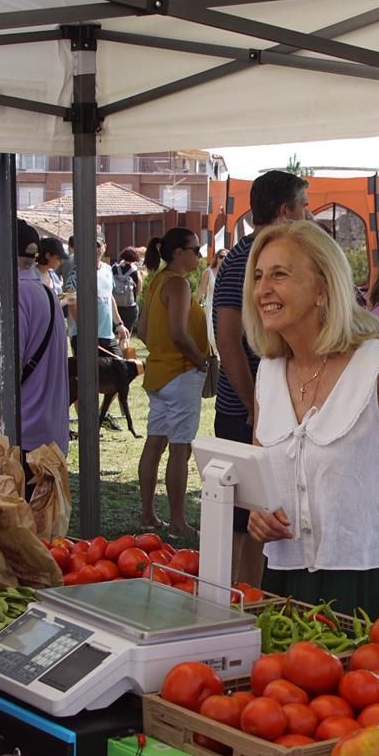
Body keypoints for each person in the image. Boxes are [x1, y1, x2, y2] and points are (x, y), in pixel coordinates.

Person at [245, 220, 379, 618]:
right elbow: (265, 482)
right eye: (258, 276)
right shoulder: (268, 373)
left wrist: (376, 519)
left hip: (369, 582)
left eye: (279, 274)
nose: (263, 289)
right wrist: (261, 514)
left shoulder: (377, 367)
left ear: (323, 289)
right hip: (286, 580)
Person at [214, 170, 309, 587]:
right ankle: (246, 600)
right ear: (285, 210)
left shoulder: (253, 254)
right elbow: (228, 340)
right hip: (247, 412)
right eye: (304, 206)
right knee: (248, 520)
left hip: (261, 408)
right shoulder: (250, 259)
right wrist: (253, 407)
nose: (307, 215)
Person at [137, 228, 210, 539]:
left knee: (154, 444)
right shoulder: (178, 284)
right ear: (179, 253)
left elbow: (142, 329)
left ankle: (149, 515)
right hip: (180, 375)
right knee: (180, 450)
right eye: (196, 250)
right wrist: (201, 360)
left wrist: (162, 351)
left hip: (159, 373)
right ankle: (178, 523)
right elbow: (179, 334)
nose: (199, 256)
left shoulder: (157, 281)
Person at [0, 219, 72, 466]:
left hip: (22, 435)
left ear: (1, 252)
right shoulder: (47, 293)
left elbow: (11, 368)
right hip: (50, 434)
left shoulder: (12, 295)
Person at [114, 246, 142, 332]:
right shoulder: (135, 272)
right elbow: (139, 290)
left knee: (114, 333)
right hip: (130, 307)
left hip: (115, 307)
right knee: (127, 333)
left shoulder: (114, 268)